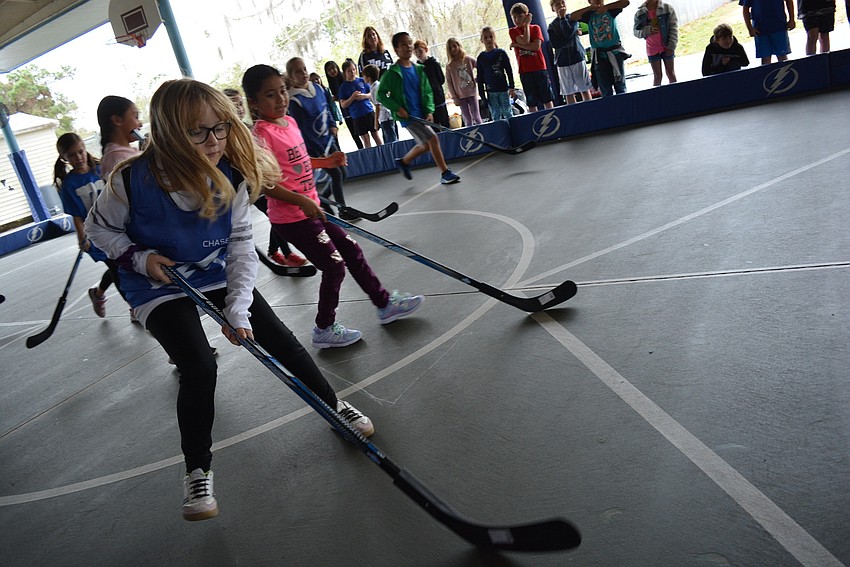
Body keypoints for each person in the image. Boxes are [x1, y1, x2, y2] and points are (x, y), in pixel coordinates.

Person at [86, 78, 376, 521]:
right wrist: (140, 258)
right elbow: (98, 229)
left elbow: (240, 245)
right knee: (199, 366)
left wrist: (237, 309)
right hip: (155, 282)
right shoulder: (130, 179)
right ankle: (197, 470)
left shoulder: (232, 174)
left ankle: (332, 406)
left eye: (219, 128)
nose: (214, 141)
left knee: (279, 339)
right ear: (169, 133)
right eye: (198, 132)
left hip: (213, 270)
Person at [242, 64, 424, 349]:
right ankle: (324, 328)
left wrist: (325, 162)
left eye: (282, 91)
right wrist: (301, 200)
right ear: (254, 102)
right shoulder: (260, 136)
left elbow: (298, 161)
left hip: (312, 208)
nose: (280, 99)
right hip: (292, 219)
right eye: (270, 95)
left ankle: (384, 304)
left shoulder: (289, 122)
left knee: (351, 250)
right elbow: (265, 184)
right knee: (334, 266)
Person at [224, 87, 306, 266]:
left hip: (259, 182)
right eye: (234, 105)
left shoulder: (249, 128)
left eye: (240, 104)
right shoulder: (224, 133)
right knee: (275, 215)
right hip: (246, 187)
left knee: (274, 215)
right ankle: (281, 252)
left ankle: (277, 250)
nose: (239, 109)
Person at [54, 133, 125, 318]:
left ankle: (98, 293)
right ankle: (135, 307)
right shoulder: (69, 185)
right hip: (97, 235)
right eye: (71, 155)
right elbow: (77, 216)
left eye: (80, 152)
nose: (78, 158)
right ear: (64, 158)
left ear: (85, 149)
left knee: (121, 265)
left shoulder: (100, 169)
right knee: (117, 269)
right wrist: (82, 237)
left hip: (118, 227)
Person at [379, 32, 461, 186]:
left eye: (409, 43)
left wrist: (429, 110)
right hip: (408, 116)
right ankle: (445, 172)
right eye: (403, 44)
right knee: (433, 139)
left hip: (421, 114)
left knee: (426, 144)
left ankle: (404, 161)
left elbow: (427, 92)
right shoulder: (392, 73)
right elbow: (381, 95)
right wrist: (397, 108)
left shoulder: (419, 69)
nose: (408, 46)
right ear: (396, 49)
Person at [286, 57, 358, 221]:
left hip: (328, 140)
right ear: (291, 77)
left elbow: (327, 109)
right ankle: (343, 210)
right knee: (336, 175)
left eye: (304, 69)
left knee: (343, 172)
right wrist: (319, 152)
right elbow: (302, 130)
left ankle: (323, 199)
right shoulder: (294, 100)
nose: (303, 73)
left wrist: (332, 124)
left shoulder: (318, 89)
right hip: (314, 147)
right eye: (298, 72)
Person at [570, 0, 632, 97]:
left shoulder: (610, 10)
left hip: (615, 53)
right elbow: (573, 16)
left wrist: (607, 7)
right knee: (605, 87)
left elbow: (626, 2)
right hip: (599, 56)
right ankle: (608, 105)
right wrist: (590, 8)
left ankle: (624, 104)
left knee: (620, 85)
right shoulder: (589, 15)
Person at [508, 2, 556, 112]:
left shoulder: (536, 28)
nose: (517, 20)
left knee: (547, 98)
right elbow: (525, 41)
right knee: (531, 101)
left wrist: (518, 44)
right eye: (514, 17)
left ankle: (552, 115)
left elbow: (536, 46)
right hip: (525, 71)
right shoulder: (513, 31)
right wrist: (523, 40)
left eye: (520, 17)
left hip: (539, 68)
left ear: (527, 16)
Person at [548, 0, 594, 104]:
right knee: (568, 92)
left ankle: (590, 109)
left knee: (584, 89)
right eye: (557, 4)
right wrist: (573, 33)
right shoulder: (552, 25)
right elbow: (555, 44)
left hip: (577, 57)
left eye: (562, 3)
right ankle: (573, 112)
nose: (561, 6)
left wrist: (563, 19)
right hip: (562, 61)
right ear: (553, 8)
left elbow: (567, 32)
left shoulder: (573, 17)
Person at [338, 60, 382, 148]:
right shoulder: (343, 87)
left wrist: (364, 96)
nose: (352, 72)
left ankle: (383, 152)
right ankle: (370, 156)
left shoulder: (362, 80)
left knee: (376, 135)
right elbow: (343, 104)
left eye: (354, 69)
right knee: (366, 139)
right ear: (344, 72)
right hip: (357, 116)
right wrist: (352, 98)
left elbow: (372, 93)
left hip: (369, 111)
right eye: (349, 71)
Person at [633, 0, 678, 85]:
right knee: (657, 76)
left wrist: (672, 46)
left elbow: (674, 28)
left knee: (671, 74)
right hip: (652, 48)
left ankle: (676, 92)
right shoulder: (639, 13)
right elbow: (636, 32)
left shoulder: (667, 8)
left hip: (667, 46)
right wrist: (648, 30)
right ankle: (657, 93)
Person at [97, 95, 142, 179]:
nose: (140, 124)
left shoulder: (124, 155)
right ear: (117, 120)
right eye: (136, 117)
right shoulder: (119, 160)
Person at [476, 27, 515, 120]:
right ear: (482, 40)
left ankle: (512, 128)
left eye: (491, 37)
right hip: (491, 91)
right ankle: (499, 129)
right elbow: (480, 78)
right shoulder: (481, 57)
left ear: (494, 37)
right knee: (495, 114)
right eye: (485, 37)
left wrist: (512, 87)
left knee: (507, 112)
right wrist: (482, 96)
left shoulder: (501, 53)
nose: (489, 39)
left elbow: (509, 71)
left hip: (503, 89)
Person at [741, 0, 795, 65]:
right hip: (760, 29)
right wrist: (750, 28)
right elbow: (745, 8)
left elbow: (789, 1)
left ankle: (785, 71)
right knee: (765, 58)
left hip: (779, 26)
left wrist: (791, 19)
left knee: (782, 55)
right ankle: (766, 72)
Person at [325, 60, 363, 150]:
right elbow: (339, 97)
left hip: (354, 108)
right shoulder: (331, 82)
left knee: (362, 131)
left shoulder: (345, 78)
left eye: (333, 68)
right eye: (329, 70)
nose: (332, 71)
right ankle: (360, 149)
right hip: (345, 110)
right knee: (353, 133)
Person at [413, 40, 451, 129]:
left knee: (444, 122)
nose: (418, 54)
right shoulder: (417, 68)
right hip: (427, 101)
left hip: (438, 98)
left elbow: (441, 79)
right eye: (416, 52)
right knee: (433, 125)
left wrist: (434, 87)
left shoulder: (434, 64)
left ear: (426, 50)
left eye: (420, 51)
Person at [445, 37, 483, 127]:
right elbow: (449, 82)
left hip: (472, 93)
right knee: (467, 119)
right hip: (460, 96)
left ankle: (483, 131)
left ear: (459, 46)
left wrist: (478, 79)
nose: (453, 49)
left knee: (476, 116)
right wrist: (454, 97)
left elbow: (480, 66)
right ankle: (471, 134)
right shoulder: (449, 66)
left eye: (454, 46)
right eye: (450, 48)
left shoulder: (468, 59)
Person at [362, 64, 397, 144]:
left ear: (368, 77)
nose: (363, 78)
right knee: (387, 140)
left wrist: (376, 122)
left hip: (385, 117)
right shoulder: (377, 85)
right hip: (386, 116)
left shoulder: (374, 88)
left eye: (364, 76)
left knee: (391, 141)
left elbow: (377, 106)